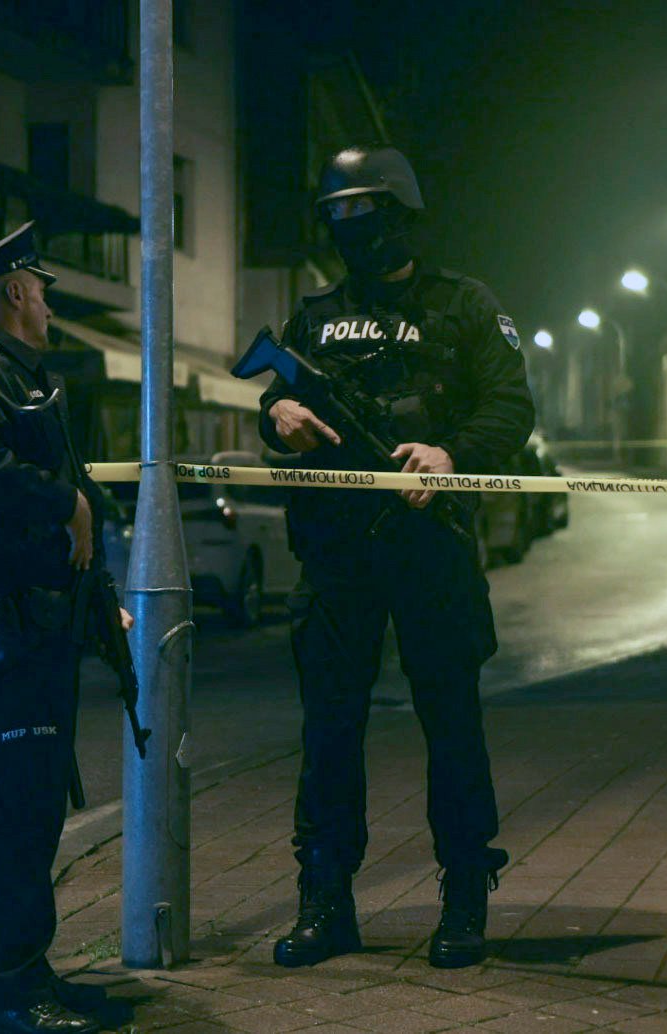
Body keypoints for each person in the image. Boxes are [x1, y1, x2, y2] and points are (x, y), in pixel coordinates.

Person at [259, 146, 536, 970]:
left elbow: (512, 405)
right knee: (329, 732)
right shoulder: (312, 318)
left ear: (402, 215)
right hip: (340, 552)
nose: (352, 230)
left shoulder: (466, 306)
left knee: (451, 725)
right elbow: (271, 401)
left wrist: (451, 453)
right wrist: (279, 416)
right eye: (338, 216)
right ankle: (326, 898)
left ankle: (462, 895)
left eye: (365, 214)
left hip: (430, 547)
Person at [0, 222, 124, 1034]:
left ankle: (29, 970)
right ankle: (10, 992)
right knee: (14, 813)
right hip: (9, 628)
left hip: (42, 625)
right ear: (14, 293)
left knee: (38, 807)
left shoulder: (24, 379)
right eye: (39, 288)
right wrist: (66, 501)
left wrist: (98, 590)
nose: (47, 301)